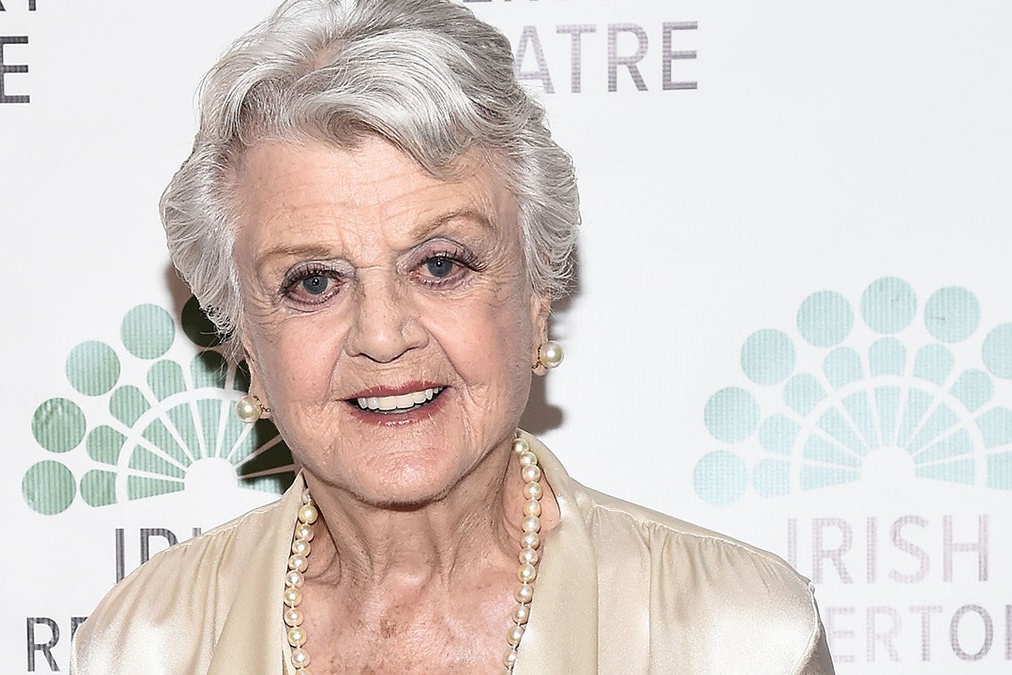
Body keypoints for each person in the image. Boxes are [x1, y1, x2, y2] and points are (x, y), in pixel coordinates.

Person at [72, 0, 835, 672]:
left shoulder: (734, 635)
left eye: (441, 263)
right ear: (245, 349)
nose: (382, 334)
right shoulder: (145, 644)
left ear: (537, 300)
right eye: (313, 281)